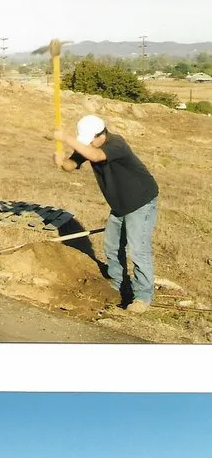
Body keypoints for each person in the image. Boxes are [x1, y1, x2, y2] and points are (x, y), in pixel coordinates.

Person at [53, 114, 159, 312]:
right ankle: (119, 284)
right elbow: (71, 165)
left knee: (138, 248)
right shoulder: (91, 146)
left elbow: (95, 156)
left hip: (140, 202)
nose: (89, 145)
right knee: (111, 245)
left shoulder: (116, 144)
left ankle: (143, 296)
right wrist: (60, 162)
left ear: (101, 135)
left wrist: (66, 138)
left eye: (90, 140)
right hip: (119, 205)